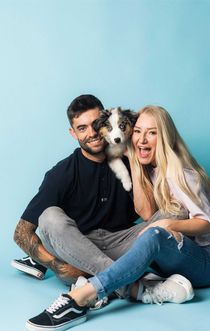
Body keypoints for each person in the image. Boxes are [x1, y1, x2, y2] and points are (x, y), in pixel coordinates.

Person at [25, 105, 210, 331]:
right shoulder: (146, 165)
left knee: (168, 218)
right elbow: (148, 215)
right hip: (166, 255)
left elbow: (209, 224)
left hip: (204, 261)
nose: (142, 139)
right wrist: (134, 159)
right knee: (51, 218)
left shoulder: (180, 173)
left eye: (152, 132)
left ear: (165, 136)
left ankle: (81, 297)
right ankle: (135, 286)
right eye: (138, 131)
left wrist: (169, 225)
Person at [12, 94, 147, 292]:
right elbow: (21, 233)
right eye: (82, 128)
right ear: (73, 133)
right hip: (78, 252)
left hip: (120, 243)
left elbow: (149, 214)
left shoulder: (129, 157)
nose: (91, 133)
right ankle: (129, 286)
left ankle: (97, 281)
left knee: (174, 212)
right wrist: (59, 266)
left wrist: (133, 156)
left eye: (95, 124)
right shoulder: (62, 173)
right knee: (49, 217)